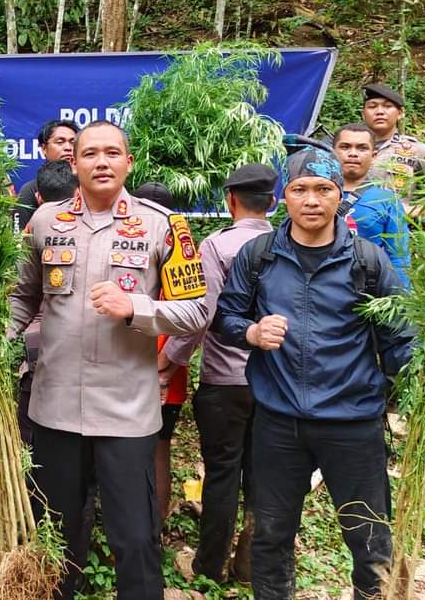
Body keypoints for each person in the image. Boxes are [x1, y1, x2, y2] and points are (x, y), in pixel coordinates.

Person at [0, 121, 208, 600]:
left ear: (128, 162)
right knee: (58, 534)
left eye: (113, 153)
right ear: (72, 163)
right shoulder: (44, 223)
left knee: (135, 538)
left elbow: (197, 310)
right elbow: (22, 295)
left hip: (126, 411)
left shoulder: (163, 225)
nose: (102, 162)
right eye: (91, 153)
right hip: (55, 407)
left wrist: (137, 308)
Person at [212, 146, 425, 600]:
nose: (311, 200)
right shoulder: (259, 255)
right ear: (283, 197)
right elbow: (226, 317)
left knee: (369, 541)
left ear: (339, 195)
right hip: (278, 423)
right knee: (271, 535)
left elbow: (400, 338)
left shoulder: (368, 261)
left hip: (353, 423)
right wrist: (251, 332)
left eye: (323, 189)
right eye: (299, 189)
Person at [158, 163, 277, 585]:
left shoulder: (217, 246)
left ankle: (209, 567)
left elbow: (200, 315)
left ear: (230, 201)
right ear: (274, 203)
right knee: (263, 475)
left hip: (225, 381)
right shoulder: (287, 243)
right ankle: (251, 566)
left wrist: (170, 359)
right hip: (276, 385)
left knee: (222, 474)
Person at [130, 181, 190, 527]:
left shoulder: (135, 243)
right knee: (159, 450)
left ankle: (138, 532)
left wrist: (160, 368)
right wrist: (168, 367)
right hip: (169, 368)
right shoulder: (182, 247)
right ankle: (156, 530)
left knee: (134, 452)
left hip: (136, 366)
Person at [16, 159, 79, 446]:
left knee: (35, 434)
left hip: (39, 345)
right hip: (64, 350)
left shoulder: (32, 227)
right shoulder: (37, 227)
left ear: (39, 197)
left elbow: (18, 292)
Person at [333, 123, 411, 285]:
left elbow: (398, 257)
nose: (353, 154)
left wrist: (401, 300)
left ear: (374, 156)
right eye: (345, 147)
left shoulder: (387, 200)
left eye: (362, 148)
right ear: (333, 152)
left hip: (366, 291)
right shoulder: (315, 195)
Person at [360, 82, 425, 207]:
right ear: (363, 114)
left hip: (396, 223)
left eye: (387, 106)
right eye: (372, 106)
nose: (379, 112)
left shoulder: (417, 150)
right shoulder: (348, 149)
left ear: (400, 113)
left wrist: (411, 212)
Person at [13, 118, 79, 231]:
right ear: (44, 149)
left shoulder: (90, 187)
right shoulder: (31, 190)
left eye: (73, 142)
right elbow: (18, 241)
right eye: (60, 142)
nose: (68, 148)